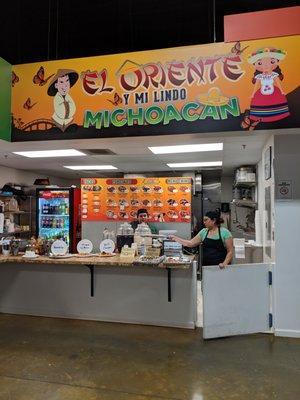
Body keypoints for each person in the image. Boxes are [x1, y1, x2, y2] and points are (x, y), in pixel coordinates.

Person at [244, 47, 290, 129]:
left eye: (271, 61)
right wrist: (253, 94)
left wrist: (282, 91)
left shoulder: (274, 75)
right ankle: (261, 117)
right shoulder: (259, 76)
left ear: (277, 62)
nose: (266, 65)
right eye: (260, 63)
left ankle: (278, 114)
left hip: (274, 92)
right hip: (261, 93)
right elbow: (256, 85)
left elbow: (278, 83)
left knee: (277, 104)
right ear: (255, 65)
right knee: (259, 105)